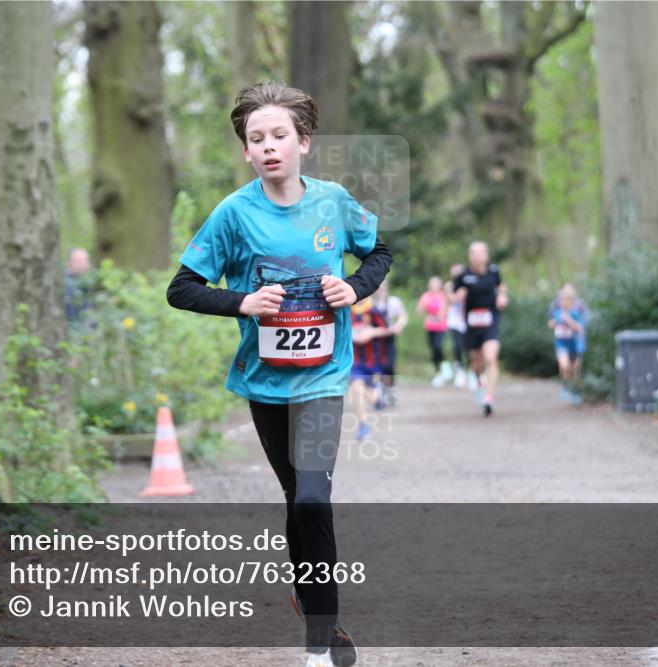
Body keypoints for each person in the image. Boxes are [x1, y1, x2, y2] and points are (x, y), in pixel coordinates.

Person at [166, 81, 390, 667]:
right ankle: (321, 614)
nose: (268, 146)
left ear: (303, 143)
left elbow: (380, 252)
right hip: (265, 383)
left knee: (313, 498)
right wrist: (241, 302)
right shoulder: (234, 214)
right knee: (297, 498)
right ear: (246, 150)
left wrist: (355, 288)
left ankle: (318, 644)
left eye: (279, 136)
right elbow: (181, 289)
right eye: (256, 138)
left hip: (324, 378)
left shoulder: (334, 202)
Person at [452, 241, 508, 416]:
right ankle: (479, 384)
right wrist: (457, 297)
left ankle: (489, 398)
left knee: (490, 357)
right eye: (474, 253)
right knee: (476, 363)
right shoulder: (463, 276)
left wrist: (502, 296)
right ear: (470, 256)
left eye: (481, 252)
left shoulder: (494, 272)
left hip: (490, 321)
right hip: (472, 325)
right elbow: (451, 295)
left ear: (486, 255)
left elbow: (501, 286)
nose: (477, 256)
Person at [348, 297, 390, 439]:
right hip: (355, 361)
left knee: (372, 396)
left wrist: (371, 332)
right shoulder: (348, 310)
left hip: (373, 362)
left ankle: (378, 398)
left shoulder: (374, 310)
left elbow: (388, 329)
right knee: (356, 387)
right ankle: (363, 426)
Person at [372, 278, 408, 406]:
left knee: (390, 365)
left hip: (390, 338)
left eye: (384, 287)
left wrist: (399, 326)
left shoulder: (394, 302)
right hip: (376, 340)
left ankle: (391, 389)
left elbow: (403, 317)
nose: (382, 290)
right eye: (379, 287)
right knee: (378, 365)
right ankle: (380, 391)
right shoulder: (371, 304)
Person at [548, 284, 585, 404]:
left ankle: (575, 392)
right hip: (561, 343)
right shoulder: (556, 311)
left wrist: (568, 320)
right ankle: (565, 386)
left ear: (572, 301)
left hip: (575, 344)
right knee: (564, 366)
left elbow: (580, 328)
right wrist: (554, 323)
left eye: (568, 300)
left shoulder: (576, 312)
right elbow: (551, 324)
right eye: (563, 300)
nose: (565, 302)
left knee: (575, 370)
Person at [415, 276, 448, 387]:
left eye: (436, 283)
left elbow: (445, 310)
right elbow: (419, 310)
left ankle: (445, 366)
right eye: (432, 284)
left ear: (440, 285)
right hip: (430, 327)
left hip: (441, 326)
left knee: (438, 346)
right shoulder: (426, 296)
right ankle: (439, 372)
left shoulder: (443, 295)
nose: (434, 286)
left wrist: (440, 314)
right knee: (433, 349)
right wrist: (423, 307)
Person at [444, 263, 468, 389]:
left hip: (467, 320)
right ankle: (460, 370)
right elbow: (450, 300)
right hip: (454, 320)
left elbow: (459, 298)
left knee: (469, 347)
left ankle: (474, 372)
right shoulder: (449, 285)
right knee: (457, 346)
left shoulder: (469, 284)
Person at [64, 247, 93, 330]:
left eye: (84, 261)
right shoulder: (63, 283)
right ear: (69, 262)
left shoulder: (91, 283)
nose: (81, 264)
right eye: (78, 260)